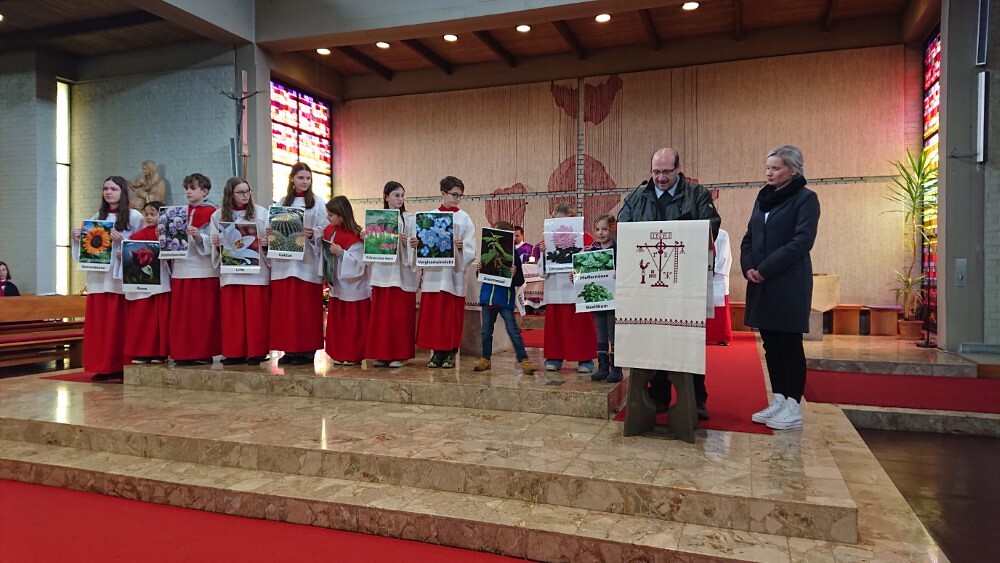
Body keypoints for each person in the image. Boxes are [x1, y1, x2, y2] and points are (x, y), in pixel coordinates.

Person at [618, 147, 721, 419]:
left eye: (666, 172)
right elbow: (623, 230)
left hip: (685, 283)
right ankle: (658, 394)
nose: (660, 177)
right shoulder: (636, 198)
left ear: (678, 169)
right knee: (654, 339)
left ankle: (696, 398)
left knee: (688, 339)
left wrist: (682, 233)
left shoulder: (697, 194)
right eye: (656, 172)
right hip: (648, 284)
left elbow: (711, 225)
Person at [745, 145, 820, 431]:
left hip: (788, 282)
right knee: (771, 344)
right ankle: (778, 398)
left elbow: (801, 242)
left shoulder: (806, 199)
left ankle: (793, 404)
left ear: (794, 170)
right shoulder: (763, 198)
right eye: (768, 168)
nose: (769, 173)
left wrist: (764, 268)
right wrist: (748, 267)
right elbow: (749, 237)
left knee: (789, 344)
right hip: (761, 282)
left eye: (775, 168)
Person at [71, 176, 144, 380]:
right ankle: (102, 367)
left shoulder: (135, 217)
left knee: (119, 324)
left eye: (113, 189)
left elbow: (144, 245)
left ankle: (122, 365)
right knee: (101, 326)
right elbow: (87, 249)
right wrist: (77, 239)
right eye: (105, 189)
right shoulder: (98, 216)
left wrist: (124, 241)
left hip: (119, 277)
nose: (108, 192)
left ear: (123, 192)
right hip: (98, 277)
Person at [412, 176, 476, 369]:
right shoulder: (429, 217)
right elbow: (421, 245)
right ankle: (436, 353)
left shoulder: (464, 218)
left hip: (453, 275)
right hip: (434, 275)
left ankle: (450, 352)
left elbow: (471, 247)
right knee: (434, 316)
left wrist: (462, 246)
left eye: (460, 195)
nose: (457, 199)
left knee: (450, 316)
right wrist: (416, 244)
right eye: (454, 194)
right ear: (443, 193)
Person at [268, 162, 328, 366]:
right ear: (292, 179)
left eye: (308, 178)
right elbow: (272, 226)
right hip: (284, 265)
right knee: (286, 310)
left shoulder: (317, 203)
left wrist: (314, 233)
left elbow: (325, 229)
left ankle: (307, 350)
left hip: (307, 264)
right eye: (301, 177)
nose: (304, 181)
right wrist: (271, 232)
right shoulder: (281, 202)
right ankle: (289, 350)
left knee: (305, 310)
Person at [210, 178, 271, 366]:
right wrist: (216, 244)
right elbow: (214, 240)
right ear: (231, 194)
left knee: (255, 314)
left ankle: (256, 352)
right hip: (232, 273)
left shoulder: (261, 213)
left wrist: (266, 243)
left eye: (247, 191)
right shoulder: (218, 215)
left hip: (256, 273)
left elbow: (270, 238)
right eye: (240, 192)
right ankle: (234, 352)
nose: (245, 196)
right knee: (233, 315)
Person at [166, 173, 221, 366]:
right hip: (181, 268)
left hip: (203, 269)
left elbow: (216, 241)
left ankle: (202, 352)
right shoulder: (177, 213)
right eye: (186, 188)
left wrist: (198, 236)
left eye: (193, 188)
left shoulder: (213, 213)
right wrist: (163, 234)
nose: (188, 192)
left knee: (201, 315)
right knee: (182, 316)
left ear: (205, 191)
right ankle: (182, 353)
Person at [537, 201, 596, 373]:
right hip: (555, 289)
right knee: (555, 328)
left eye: (565, 221)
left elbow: (595, 266)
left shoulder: (586, 239)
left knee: (581, 326)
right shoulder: (547, 239)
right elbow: (541, 272)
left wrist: (587, 254)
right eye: (557, 221)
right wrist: (543, 253)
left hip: (576, 290)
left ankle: (585, 359)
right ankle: (554, 357)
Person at [366, 181, 419, 368]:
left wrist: (408, 243)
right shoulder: (376, 218)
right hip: (382, 273)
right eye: (396, 195)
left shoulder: (410, 219)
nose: (400, 199)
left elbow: (416, 244)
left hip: (401, 275)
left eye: (402, 195)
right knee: (382, 317)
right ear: (386, 197)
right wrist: (368, 239)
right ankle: (382, 354)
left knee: (399, 317)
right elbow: (372, 250)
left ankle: (400, 354)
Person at [473, 220, 535, 375]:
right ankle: (485, 358)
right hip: (488, 296)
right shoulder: (488, 250)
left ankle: (523, 359)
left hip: (504, 298)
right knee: (486, 331)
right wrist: (479, 269)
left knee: (513, 330)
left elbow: (520, 281)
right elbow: (480, 276)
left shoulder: (513, 254)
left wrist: (514, 274)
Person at [323, 196, 370, 365]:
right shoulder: (330, 231)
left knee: (352, 323)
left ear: (342, 216)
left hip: (353, 286)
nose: (328, 218)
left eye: (331, 215)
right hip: (337, 283)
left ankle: (352, 354)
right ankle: (339, 353)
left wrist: (342, 253)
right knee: (339, 323)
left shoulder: (355, 236)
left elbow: (359, 263)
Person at [124, 201, 170, 364]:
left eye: (153, 214)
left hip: (161, 282)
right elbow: (129, 254)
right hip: (142, 286)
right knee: (141, 319)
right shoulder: (137, 236)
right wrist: (122, 255)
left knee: (158, 320)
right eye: (146, 214)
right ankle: (141, 352)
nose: (149, 217)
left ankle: (159, 352)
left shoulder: (166, 233)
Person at [587, 214, 623, 383]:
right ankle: (603, 367)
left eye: (605, 229)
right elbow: (587, 275)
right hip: (598, 298)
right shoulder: (592, 251)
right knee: (600, 332)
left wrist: (619, 274)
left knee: (613, 332)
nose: (600, 233)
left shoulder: (619, 250)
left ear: (612, 230)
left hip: (614, 298)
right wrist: (577, 277)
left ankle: (616, 368)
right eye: (597, 229)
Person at [706, 228, 733, 346]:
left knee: (719, 305)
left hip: (717, 275)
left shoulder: (722, 234)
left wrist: (712, 269)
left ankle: (721, 337)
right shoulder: (696, 231)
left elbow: (725, 257)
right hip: (700, 275)